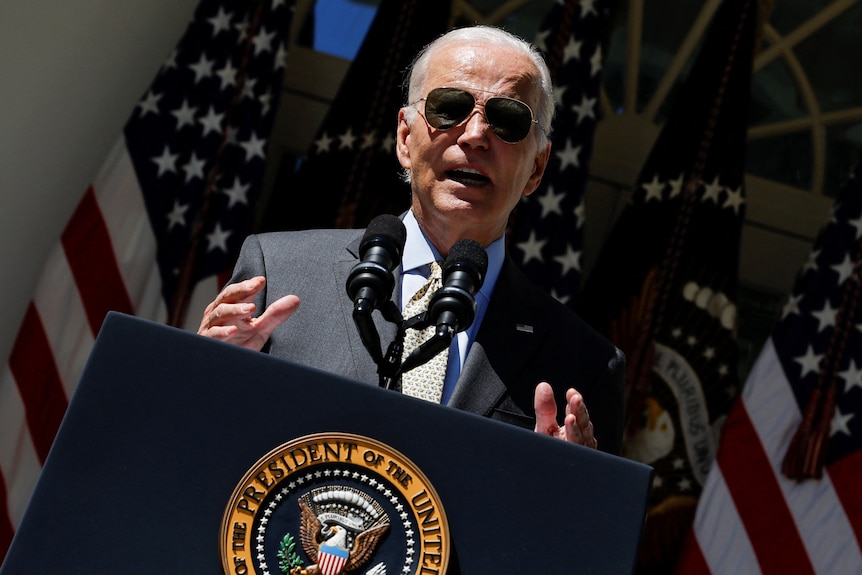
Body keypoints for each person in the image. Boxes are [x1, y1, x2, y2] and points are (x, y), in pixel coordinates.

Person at [198, 25, 625, 455]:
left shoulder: (584, 363)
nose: (475, 135)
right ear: (405, 137)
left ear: (536, 167)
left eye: (507, 119)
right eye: (449, 107)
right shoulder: (282, 271)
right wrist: (207, 373)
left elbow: (586, 518)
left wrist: (565, 483)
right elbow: (198, 442)